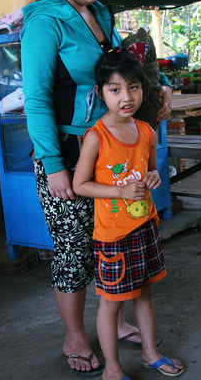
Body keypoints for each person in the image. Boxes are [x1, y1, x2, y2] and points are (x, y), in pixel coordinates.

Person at [20, 0, 172, 375]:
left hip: (110, 147)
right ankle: (75, 336)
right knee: (72, 249)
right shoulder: (46, 21)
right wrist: (53, 166)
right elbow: (37, 97)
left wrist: (158, 84)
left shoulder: (100, 14)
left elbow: (122, 69)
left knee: (114, 238)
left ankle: (118, 318)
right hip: (67, 152)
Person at [73, 50, 184, 379]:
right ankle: (113, 369)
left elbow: (150, 172)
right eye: (115, 89)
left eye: (133, 88)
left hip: (144, 228)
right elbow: (81, 184)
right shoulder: (96, 136)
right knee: (111, 303)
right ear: (100, 93)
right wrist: (120, 191)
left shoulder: (146, 130)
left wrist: (153, 178)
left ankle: (151, 353)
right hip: (113, 236)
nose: (126, 97)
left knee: (146, 293)